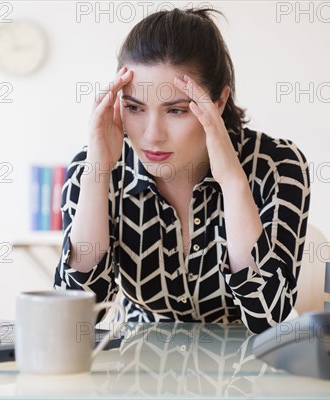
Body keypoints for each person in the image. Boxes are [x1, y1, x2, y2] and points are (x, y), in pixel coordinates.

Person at [54, 7, 310, 334]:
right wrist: (98, 172)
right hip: (138, 366)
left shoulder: (276, 164)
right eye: (134, 108)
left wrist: (233, 182)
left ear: (217, 103)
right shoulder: (96, 166)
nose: (151, 134)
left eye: (175, 110)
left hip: (244, 370)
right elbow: (75, 317)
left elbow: (268, 317)